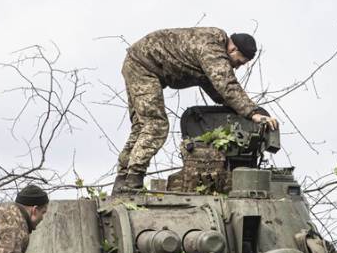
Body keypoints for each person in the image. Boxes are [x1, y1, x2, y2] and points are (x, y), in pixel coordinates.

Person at [114, 27, 280, 192]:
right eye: (238, 62)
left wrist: (248, 111)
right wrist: (253, 113)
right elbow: (227, 85)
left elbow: (219, 92)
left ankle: (122, 180)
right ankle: (132, 181)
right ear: (233, 48)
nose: (236, 67)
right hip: (143, 67)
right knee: (155, 125)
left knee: (141, 127)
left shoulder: (211, 49)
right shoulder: (213, 49)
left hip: (137, 63)